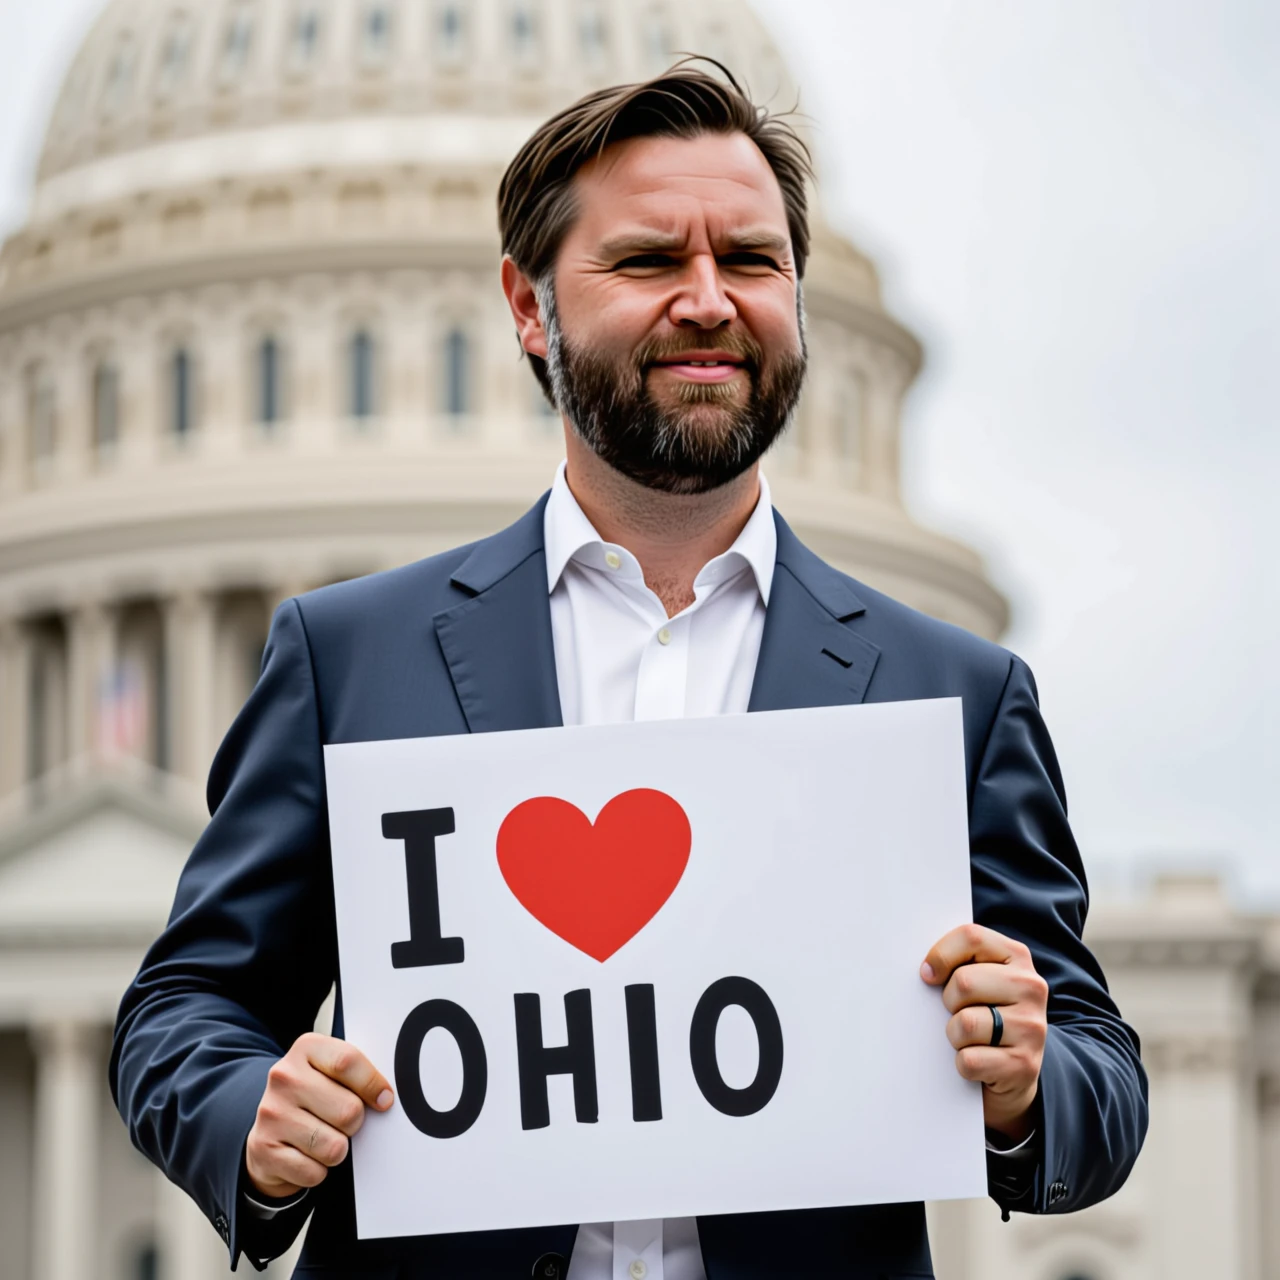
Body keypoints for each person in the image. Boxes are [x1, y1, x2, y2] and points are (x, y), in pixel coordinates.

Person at [111, 63, 1147, 1279]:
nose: (707, 301)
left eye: (751, 262)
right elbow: (181, 1008)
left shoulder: (952, 695)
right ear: (527, 305)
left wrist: (1026, 1083)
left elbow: (1098, 1070)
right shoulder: (349, 660)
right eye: (650, 261)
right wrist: (253, 1117)